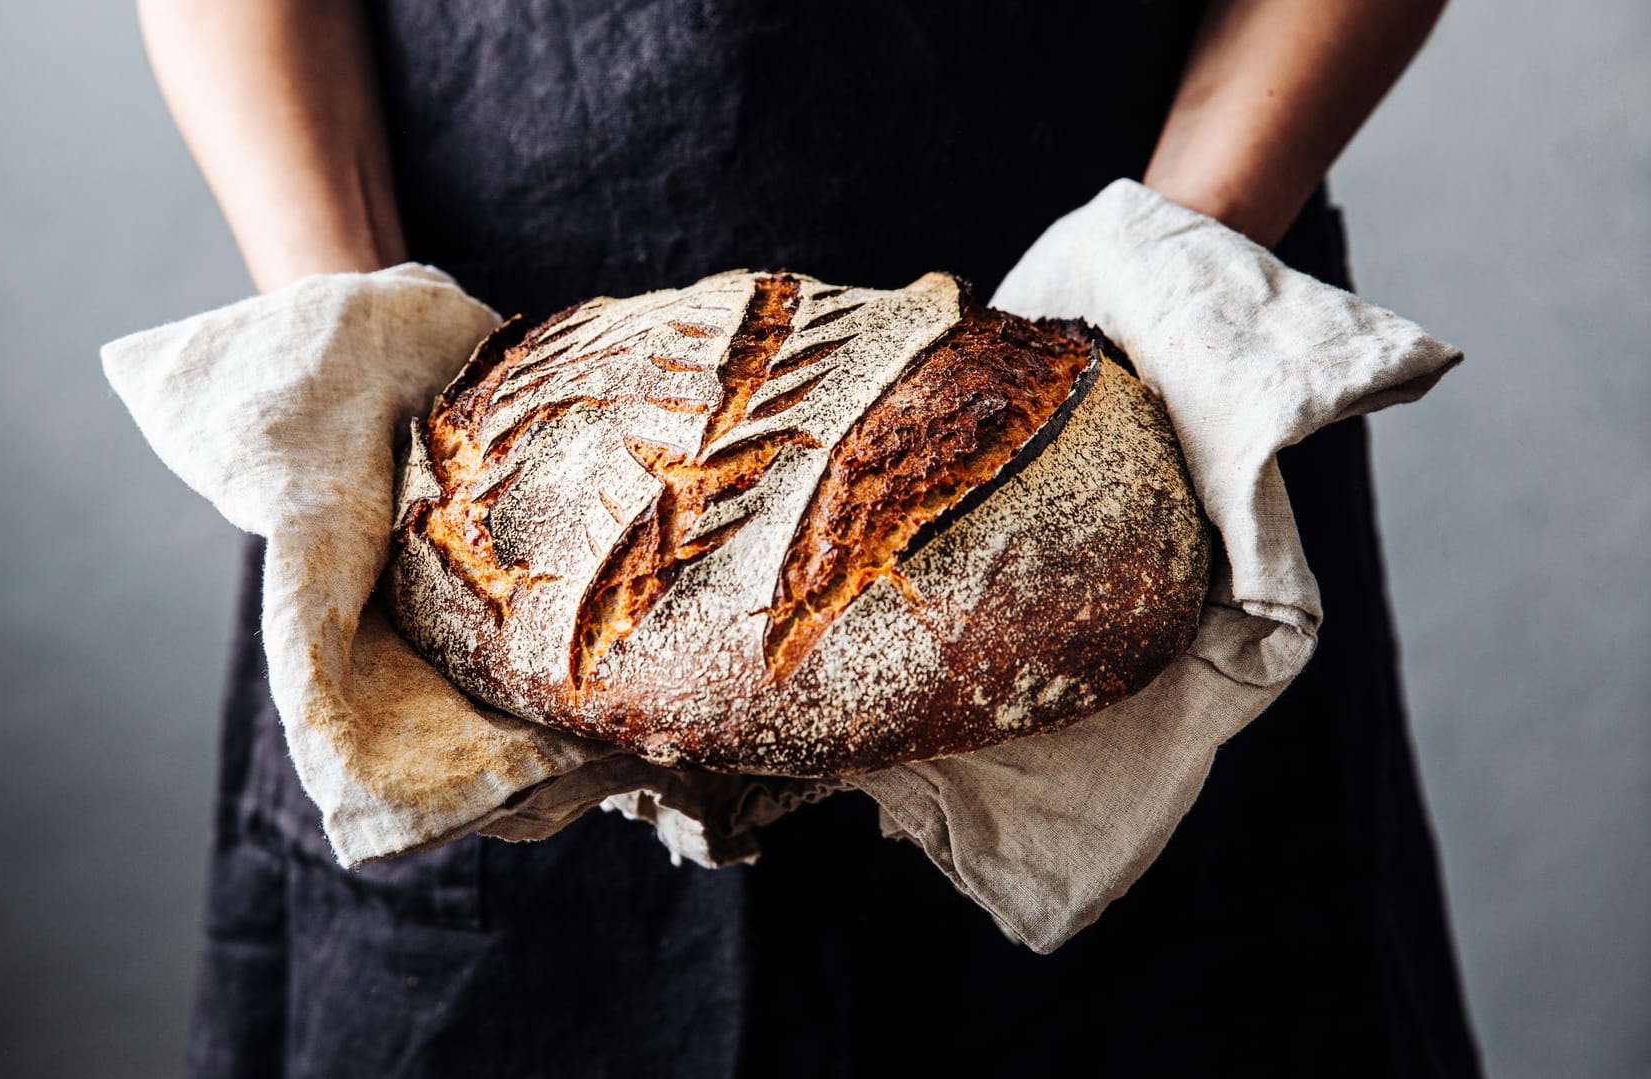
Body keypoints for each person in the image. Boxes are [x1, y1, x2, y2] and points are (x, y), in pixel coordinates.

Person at [137, 1, 1480, 1074]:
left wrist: (1180, 255)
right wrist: (364, 335)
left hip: (1141, 389)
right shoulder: (447, 465)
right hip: (497, 462)